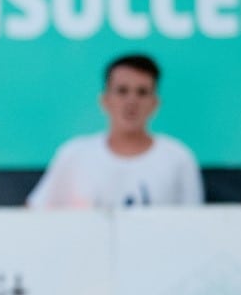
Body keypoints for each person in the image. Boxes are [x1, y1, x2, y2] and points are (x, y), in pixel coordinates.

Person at [26, 54, 203, 208]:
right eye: (122, 91)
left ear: (155, 103)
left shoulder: (178, 159)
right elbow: (34, 215)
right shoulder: (74, 155)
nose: (131, 101)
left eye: (142, 92)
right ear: (105, 100)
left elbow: (193, 226)